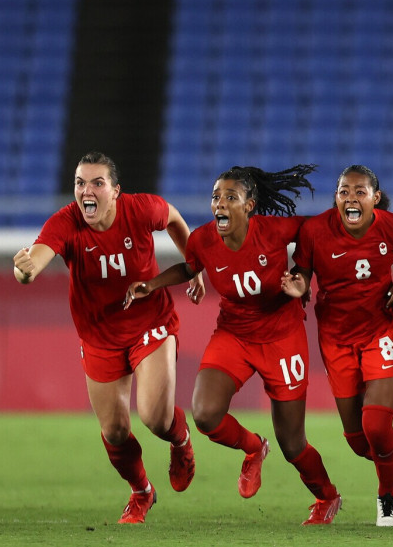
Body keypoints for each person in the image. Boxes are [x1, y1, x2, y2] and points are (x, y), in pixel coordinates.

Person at [124, 165, 341, 525]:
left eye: (230, 197)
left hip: (282, 337)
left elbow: (316, 231)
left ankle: (327, 496)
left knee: (293, 443)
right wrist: (154, 283)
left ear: (249, 205)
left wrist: (302, 274)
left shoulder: (275, 231)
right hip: (234, 333)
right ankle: (253, 448)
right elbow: (190, 266)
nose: (220, 204)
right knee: (205, 413)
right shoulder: (203, 239)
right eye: (216, 197)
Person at [12, 151, 203, 524]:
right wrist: (25, 271)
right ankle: (142, 493)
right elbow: (35, 260)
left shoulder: (142, 209)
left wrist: (193, 263)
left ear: (116, 191)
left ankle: (180, 442)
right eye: (80, 183)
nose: (87, 190)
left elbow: (176, 218)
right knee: (115, 431)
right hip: (99, 336)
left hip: (150, 323)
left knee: (154, 417)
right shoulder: (65, 223)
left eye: (97, 182)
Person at [280, 165, 393, 527]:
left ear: (375, 198)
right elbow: (303, 273)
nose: (351, 198)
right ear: (336, 198)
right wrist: (299, 288)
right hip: (337, 338)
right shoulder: (314, 231)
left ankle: (387, 497)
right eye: (344, 191)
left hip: (383, 331)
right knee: (359, 441)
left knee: (376, 427)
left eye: (360, 192)